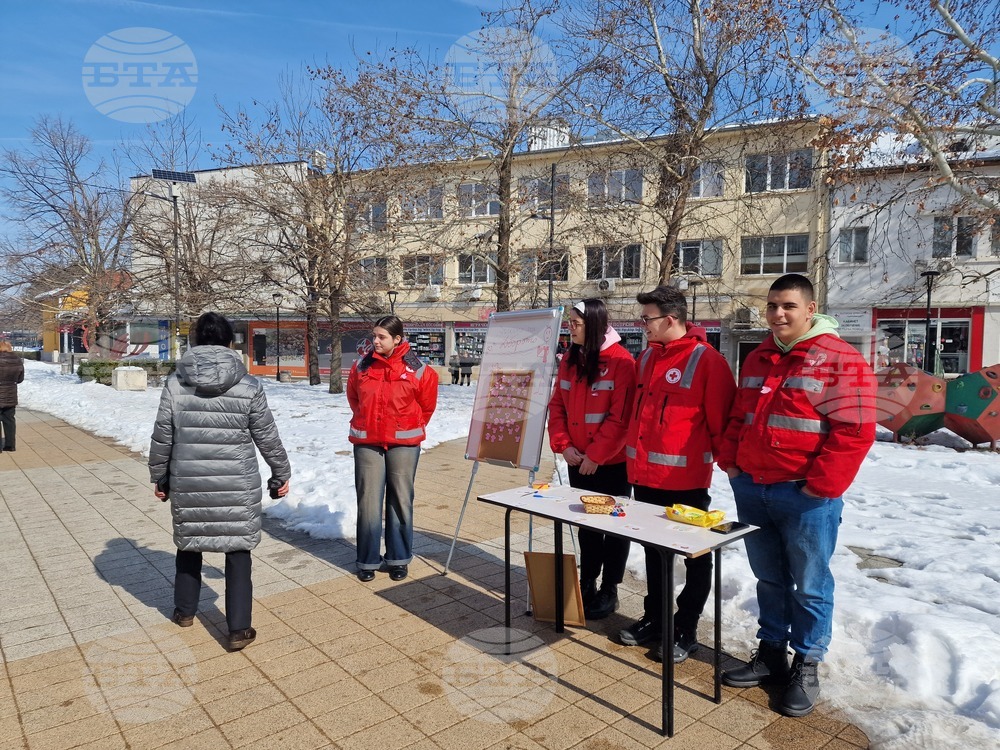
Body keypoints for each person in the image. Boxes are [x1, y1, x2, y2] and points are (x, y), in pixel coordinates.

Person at [718, 274, 877, 717]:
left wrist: (820, 486)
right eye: (772, 306)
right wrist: (730, 462)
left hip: (805, 496)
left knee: (810, 585)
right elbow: (738, 417)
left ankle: (806, 663)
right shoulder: (759, 357)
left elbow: (855, 432)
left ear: (810, 309)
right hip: (753, 487)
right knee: (768, 578)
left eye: (787, 305)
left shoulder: (840, 360)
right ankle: (771, 653)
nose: (777, 314)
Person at [148, 312, 291, 651]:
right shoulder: (249, 384)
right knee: (238, 550)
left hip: (189, 479)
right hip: (236, 483)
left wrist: (160, 476)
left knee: (189, 544)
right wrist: (280, 472)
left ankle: (184, 612)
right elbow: (267, 435)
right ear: (230, 342)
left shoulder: (175, 383)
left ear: (194, 342)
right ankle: (239, 628)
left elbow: (162, 436)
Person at [619, 285, 736, 663]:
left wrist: (732, 469)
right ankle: (655, 618)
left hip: (686, 484)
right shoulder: (647, 359)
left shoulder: (708, 361)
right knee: (653, 552)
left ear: (671, 319)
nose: (643, 325)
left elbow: (722, 425)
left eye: (647, 318)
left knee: (695, 556)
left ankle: (686, 628)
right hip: (644, 479)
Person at [547, 299, 636, 619]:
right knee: (586, 526)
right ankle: (587, 582)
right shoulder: (570, 359)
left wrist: (596, 456)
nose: (570, 327)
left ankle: (609, 589)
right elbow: (557, 406)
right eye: (569, 322)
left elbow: (620, 418)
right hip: (577, 460)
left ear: (595, 324)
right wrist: (564, 446)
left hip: (611, 464)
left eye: (576, 323)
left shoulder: (622, 362)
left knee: (613, 529)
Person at [348, 315, 438, 582]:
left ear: (397, 339)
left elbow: (427, 406)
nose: (375, 341)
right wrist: (369, 423)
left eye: (381, 337)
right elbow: (354, 399)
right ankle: (367, 560)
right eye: (374, 336)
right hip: (368, 443)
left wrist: (404, 426)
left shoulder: (419, 370)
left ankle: (398, 558)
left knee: (400, 500)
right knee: (368, 502)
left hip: (404, 445)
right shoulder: (361, 367)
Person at [0, 341, 25, 452]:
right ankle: (10, 445)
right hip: (11, 394)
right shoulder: (17, 360)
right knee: (9, 420)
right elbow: (20, 379)